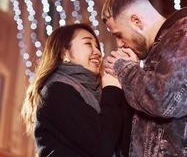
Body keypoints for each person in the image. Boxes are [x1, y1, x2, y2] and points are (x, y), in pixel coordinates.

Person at [101, 0, 187, 157]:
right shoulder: (164, 49)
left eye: (119, 35)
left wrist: (124, 68)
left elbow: (166, 101)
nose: (119, 44)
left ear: (136, 21)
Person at [21, 24, 132, 157]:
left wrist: (130, 75)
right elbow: (101, 146)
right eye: (88, 44)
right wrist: (111, 90)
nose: (97, 52)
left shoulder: (102, 92)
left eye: (97, 46)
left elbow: (127, 146)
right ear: (64, 53)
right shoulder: (57, 91)